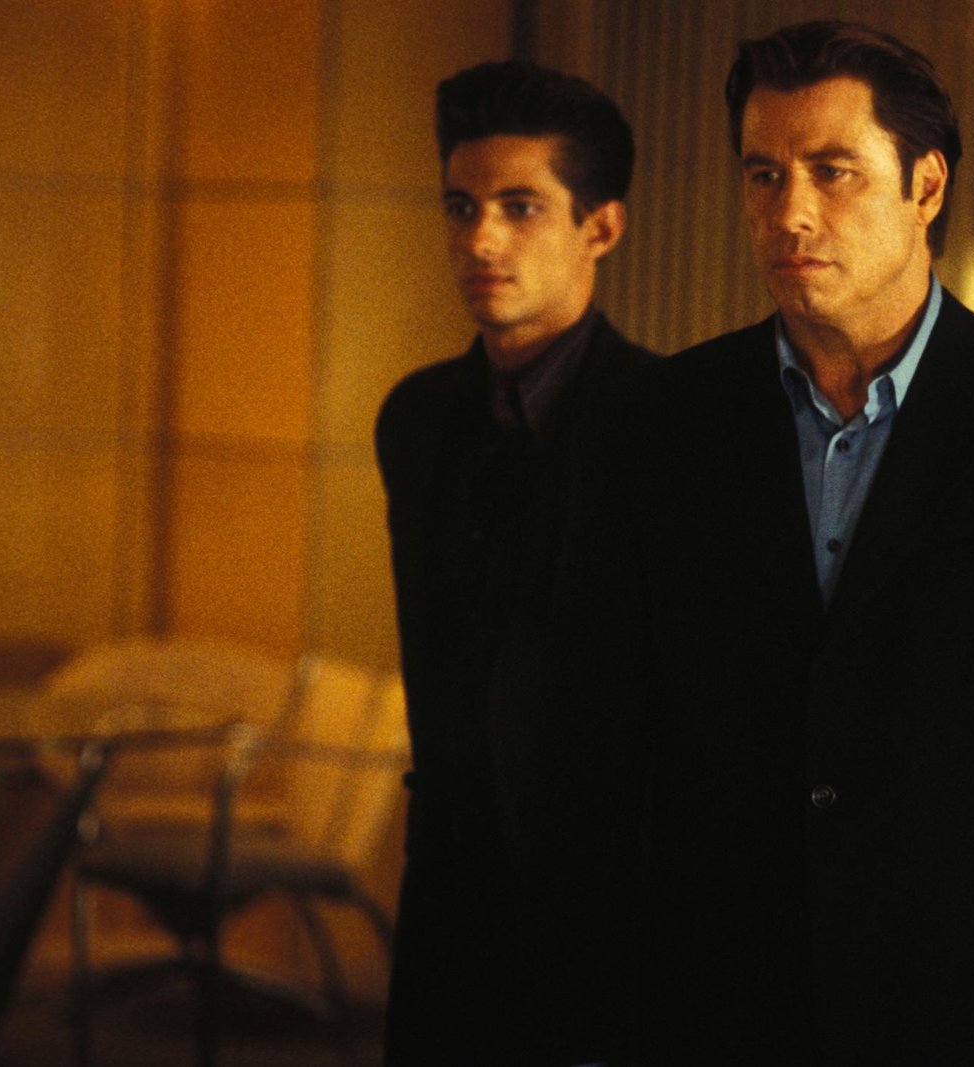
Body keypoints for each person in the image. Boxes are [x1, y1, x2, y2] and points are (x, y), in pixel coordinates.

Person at [539, 20, 974, 1065]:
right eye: (763, 174)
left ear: (925, 185)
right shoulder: (653, 426)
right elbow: (597, 760)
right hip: (716, 1014)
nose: (789, 212)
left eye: (833, 170)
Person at [374, 59, 653, 1065]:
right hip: (447, 889)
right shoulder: (417, 418)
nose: (480, 239)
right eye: (462, 206)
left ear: (601, 227)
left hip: (604, 911)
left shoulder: (665, 424)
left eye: (520, 207)